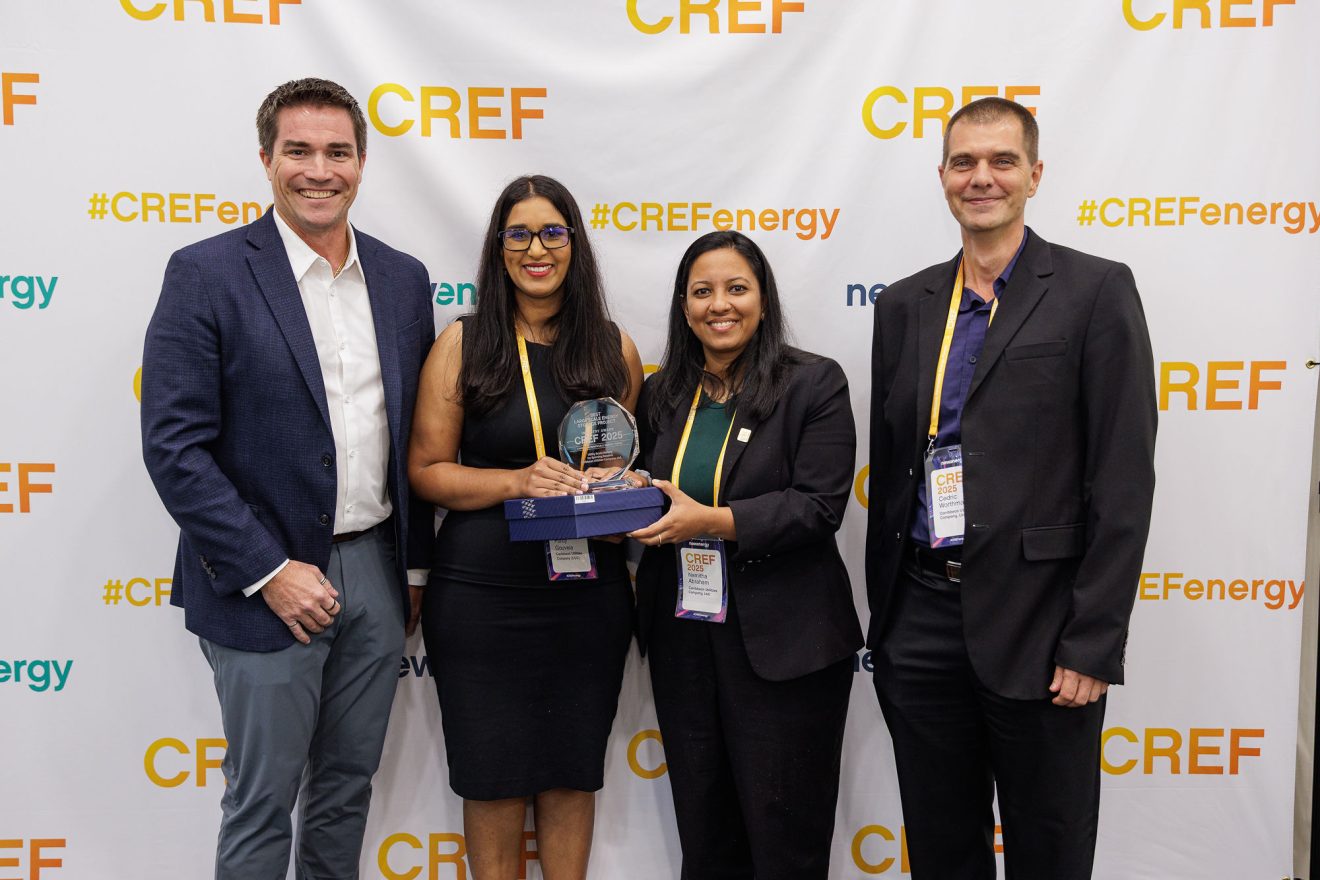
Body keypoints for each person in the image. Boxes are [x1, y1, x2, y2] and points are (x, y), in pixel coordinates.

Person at [140, 77, 434, 878]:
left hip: (377, 568)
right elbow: (174, 447)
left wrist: (410, 571)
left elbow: (412, 436)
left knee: (346, 787)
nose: (318, 170)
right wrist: (269, 572)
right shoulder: (205, 273)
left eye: (337, 152)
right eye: (298, 151)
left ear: (363, 163)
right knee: (262, 796)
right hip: (262, 579)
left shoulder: (404, 281)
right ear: (266, 158)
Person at [866, 96, 1158, 879]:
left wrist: (1093, 641)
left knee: (1050, 849)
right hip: (921, 620)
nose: (981, 177)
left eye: (1001, 161)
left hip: (1043, 623)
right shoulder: (903, 305)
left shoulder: (1095, 291)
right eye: (964, 162)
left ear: (1034, 174)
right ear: (942, 177)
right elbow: (893, 472)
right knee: (940, 846)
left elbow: (1122, 479)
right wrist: (886, 629)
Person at [408, 174, 643, 880]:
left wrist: (619, 494)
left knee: (573, 774)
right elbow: (426, 470)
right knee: (493, 777)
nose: (536, 248)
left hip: (586, 596)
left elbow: (625, 466)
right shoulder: (464, 342)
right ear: (498, 247)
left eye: (552, 232)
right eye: (519, 233)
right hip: (482, 598)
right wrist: (516, 481)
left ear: (575, 244)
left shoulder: (613, 347)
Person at [630, 230, 863, 880]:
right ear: (684, 306)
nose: (719, 304)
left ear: (763, 299)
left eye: (736, 288)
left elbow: (818, 506)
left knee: (783, 837)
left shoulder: (812, 383)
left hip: (784, 643)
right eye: (702, 291)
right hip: (684, 639)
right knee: (706, 838)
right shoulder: (663, 395)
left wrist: (714, 521)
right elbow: (654, 496)